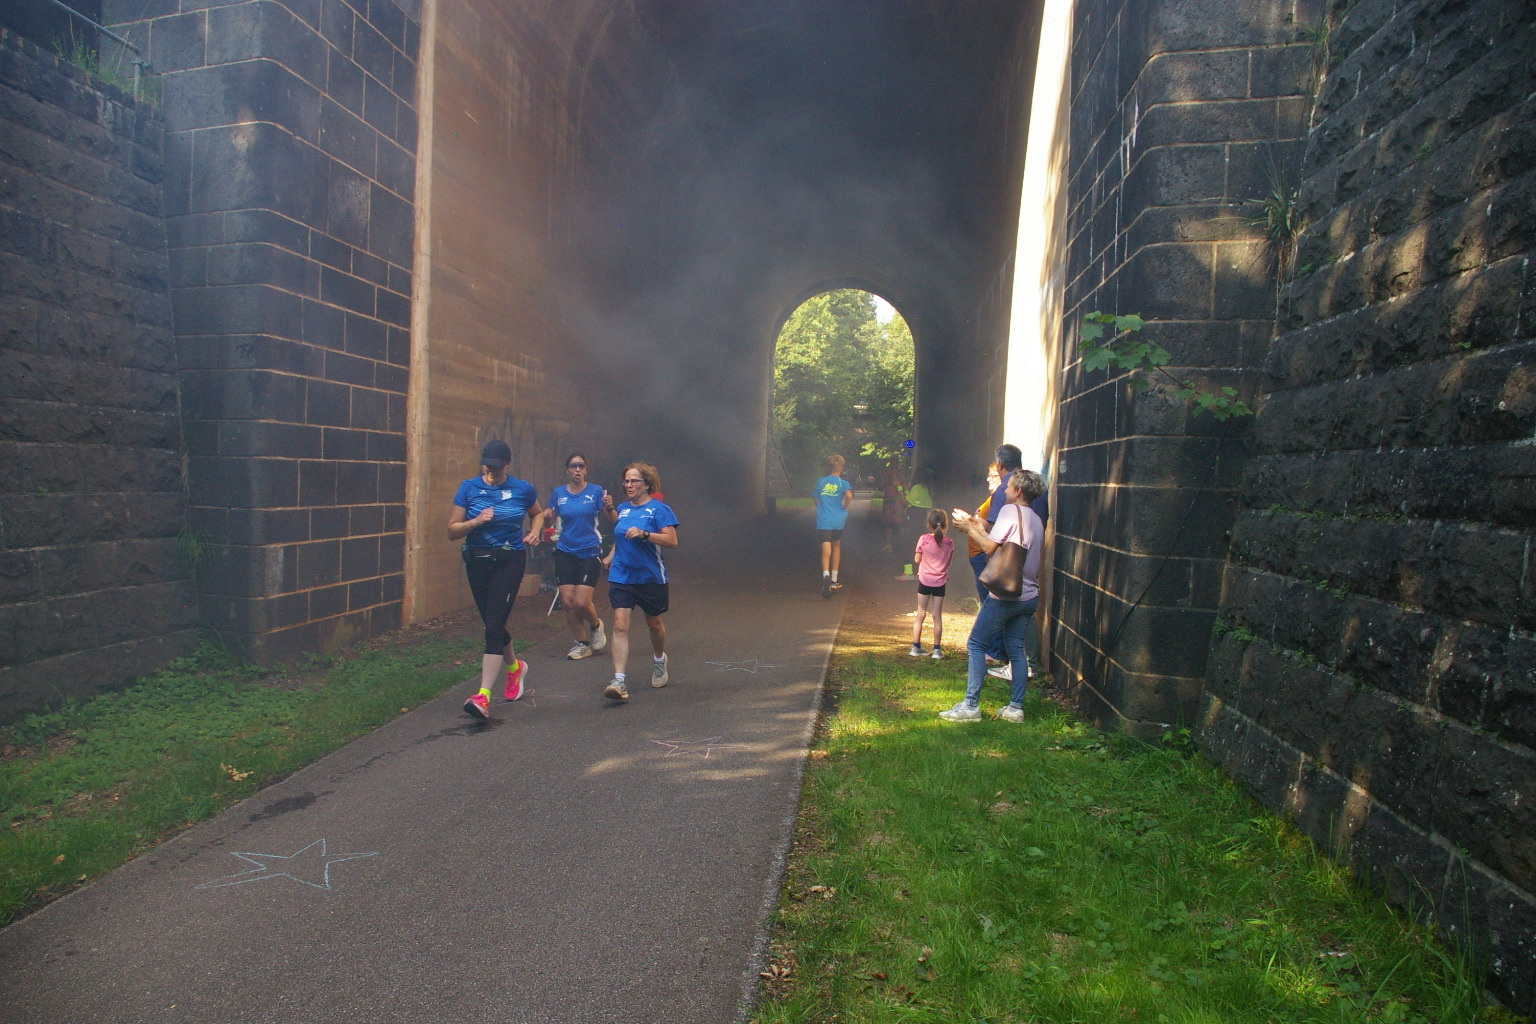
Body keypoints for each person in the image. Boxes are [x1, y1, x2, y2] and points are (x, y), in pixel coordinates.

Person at [940, 469, 1045, 723]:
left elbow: (989, 548)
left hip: (1005, 596)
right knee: (1017, 650)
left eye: (1009, 486)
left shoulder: (1010, 511)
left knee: (976, 644)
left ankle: (971, 706)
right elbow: (1003, 543)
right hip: (1028, 595)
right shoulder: (1036, 519)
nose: (1004, 489)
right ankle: (1015, 709)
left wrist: (968, 528)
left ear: (1018, 491)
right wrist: (976, 525)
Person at [448, 439, 544, 719]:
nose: (491, 472)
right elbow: (452, 531)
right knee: (493, 622)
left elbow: (537, 514)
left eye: (497, 468)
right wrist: (476, 521)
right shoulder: (468, 488)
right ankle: (515, 668)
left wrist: (535, 531)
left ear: (507, 466)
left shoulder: (522, 489)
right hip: (477, 561)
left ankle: (483, 696)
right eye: (487, 467)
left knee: (493, 626)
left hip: (509, 559)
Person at [601, 462, 679, 701]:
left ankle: (659, 659)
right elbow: (622, 537)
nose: (629, 485)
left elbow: (672, 541)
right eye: (626, 481)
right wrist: (611, 556)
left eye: (634, 481)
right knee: (620, 625)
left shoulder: (659, 509)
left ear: (647, 484)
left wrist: (645, 534)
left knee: (654, 624)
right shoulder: (623, 509)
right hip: (622, 575)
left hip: (650, 576)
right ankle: (619, 680)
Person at [532, 452, 613, 660]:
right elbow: (550, 521)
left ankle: (595, 625)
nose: (577, 469)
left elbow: (613, 519)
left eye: (581, 466)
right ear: (567, 470)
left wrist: (610, 506)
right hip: (565, 551)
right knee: (568, 602)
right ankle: (582, 643)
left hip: (589, 551)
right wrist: (548, 516)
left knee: (581, 602)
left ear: (586, 470)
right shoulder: (559, 493)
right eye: (573, 466)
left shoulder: (596, 491)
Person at [910, 508, 953, 659]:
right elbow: (948, 562)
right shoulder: (949, 542)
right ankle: (936, 650)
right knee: (937, 615)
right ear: (946, 525)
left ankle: (916, 647)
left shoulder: (924, 539)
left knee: (920, 613)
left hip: (924, 580)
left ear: (929, 525)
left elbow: (917, 560)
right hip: (940, 582)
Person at [814, 454, 853, 598]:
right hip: (838, 518)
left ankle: (825, 574)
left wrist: (823, 504)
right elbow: (849, 495)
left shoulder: (821, 481)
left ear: (828, 467)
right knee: (836, 545)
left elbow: (816, 501)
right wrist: (845, 507)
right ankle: (834, 580)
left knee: (826, 547)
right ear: (841, 468)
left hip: (824, 519)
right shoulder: (843, 483)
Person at [881, 457, 907, 551]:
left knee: (899, 523)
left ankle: (902, 544)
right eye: (892, 461)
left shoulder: (900, 472)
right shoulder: (887, 472)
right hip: (889, 500)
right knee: (888, 523)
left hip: (897, 500)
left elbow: (905, 485)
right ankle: (889, 544)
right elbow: (881, 486)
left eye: (895, 462)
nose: (894, 463)